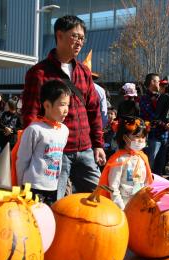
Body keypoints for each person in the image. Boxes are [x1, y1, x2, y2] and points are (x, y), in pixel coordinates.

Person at [22, 15, 105, 199]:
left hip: (85, 149)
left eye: (82, 38)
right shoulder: (38, 73)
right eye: (75, 36)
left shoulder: (84, 72)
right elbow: (30, 113)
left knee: (98, 198)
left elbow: (93, 110)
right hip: (55, 152)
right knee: (55, 203)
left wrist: (98, 144)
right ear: (59, 35)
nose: (79, 42)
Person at [17, 80, 71, 205]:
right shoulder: (34, 129)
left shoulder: (64, 130)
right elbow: (22, 160)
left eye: (68, 105)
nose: (66, 110)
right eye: (62, 104)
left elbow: (60, 159)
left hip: (52, 187)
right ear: (47, 105)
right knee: (31, 221)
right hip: (33, 187)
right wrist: (20, 186)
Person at [98, 116, 153, 209]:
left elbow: (147, 181)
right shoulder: (119, 160)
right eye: (137, 136)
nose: (141, 140)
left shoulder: (142, 158)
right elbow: (113, 187)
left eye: (143, 137)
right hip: (123, 205)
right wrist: (122, 208)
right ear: (125, 137)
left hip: (139, 204)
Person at [140, 73, 169, 175]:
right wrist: (164, 124)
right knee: (150, 165)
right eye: (158, 81)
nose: (160, 83)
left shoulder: (164, 96)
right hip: (152, 135)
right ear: (152, 82)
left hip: (164, 135)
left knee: (160, 166)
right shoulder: (144, 98)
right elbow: (151, 116)